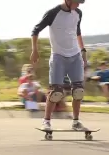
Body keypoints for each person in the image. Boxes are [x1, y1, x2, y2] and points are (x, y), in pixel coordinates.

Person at [30, 0, 87, 130]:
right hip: (58, 56)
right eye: (77, 2)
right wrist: (34, 50)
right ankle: (46, 121)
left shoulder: (78, 13)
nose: (78, 5)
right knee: (56, 92)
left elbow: (77, 32)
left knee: (78, 91)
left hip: (75, 56)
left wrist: (83, 51)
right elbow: (35, 30)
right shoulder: (53, 13)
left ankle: (76, 122)